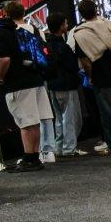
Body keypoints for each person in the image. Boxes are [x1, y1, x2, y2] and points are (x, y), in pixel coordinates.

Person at [0, 2, 53, 172]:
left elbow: (4, 59)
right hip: (35, 77)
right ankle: (34, 157)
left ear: (5, 13)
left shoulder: (2, 31)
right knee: (34, 122)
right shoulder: (33, 30)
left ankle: (29, 157)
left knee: (25, 123)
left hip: (18, 82)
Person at [72, 0, 111, 155]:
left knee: (108, 113)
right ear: (96, 9)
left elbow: (85, 61)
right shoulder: (109, 25)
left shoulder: (81, 33)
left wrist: (90, 76)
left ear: (81, 14)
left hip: (102, 76)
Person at [45, 12, 87, 157]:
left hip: (52, 85)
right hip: (66, 85)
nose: (67, 25)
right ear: (61, 26)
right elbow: (72, 66)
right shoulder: (63, 47)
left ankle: (59, 147)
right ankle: (69, 148)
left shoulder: (46, 44)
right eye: (65, 23)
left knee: (58, 118)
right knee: (70, 117)